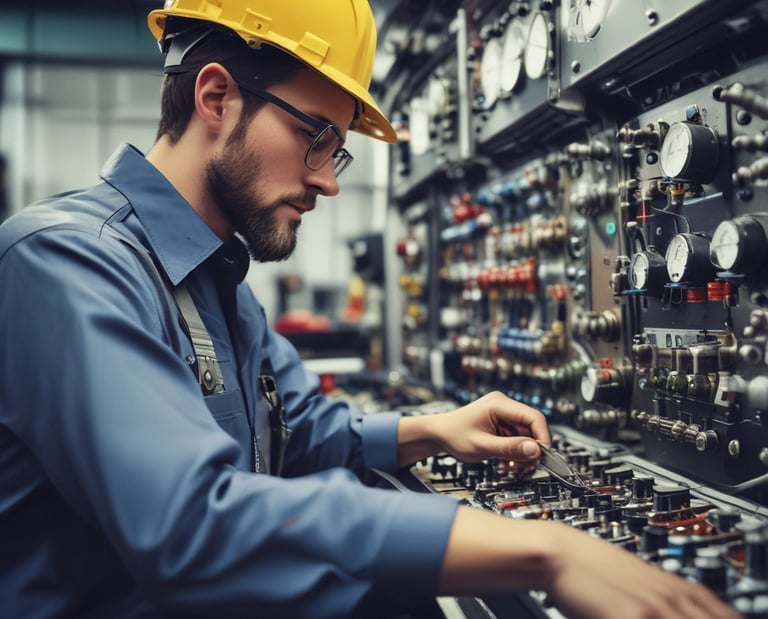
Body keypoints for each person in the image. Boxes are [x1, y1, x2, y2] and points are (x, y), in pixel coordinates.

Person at [0, 2, 740, 618]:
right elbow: (190, 523)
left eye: (339, 151)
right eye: (315, 138)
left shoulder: (220, 284)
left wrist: (436, 430)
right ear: (216, 98)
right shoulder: (64, 262)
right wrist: (545, 548)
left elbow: (297, 431)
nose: (329, 181)